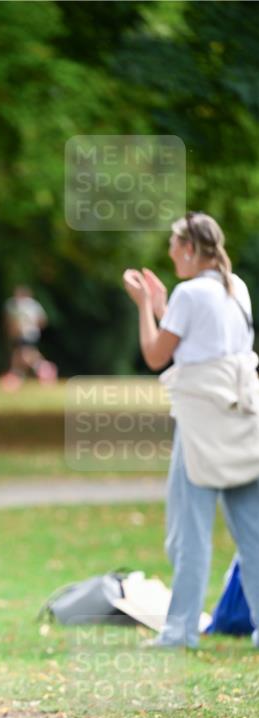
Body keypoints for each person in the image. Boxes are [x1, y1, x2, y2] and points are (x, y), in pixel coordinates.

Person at [123, 210, 259, 649]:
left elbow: (156, 354)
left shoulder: (189, 292)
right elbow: (197, 339)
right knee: (251, 530)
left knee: (190, 532)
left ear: (187, 248)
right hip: (241, 419)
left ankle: (180, 631)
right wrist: (165, 305)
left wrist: (146, 306)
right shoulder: (234, 287)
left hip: (202, 426)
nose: (168, 251)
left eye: (172, 244)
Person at [0, 285, 56, 389]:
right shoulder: (33, 305)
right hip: (30, 334)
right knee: (21, 355)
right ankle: (19, 375)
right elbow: (42, 321)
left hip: (24, 334)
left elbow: (11, 321)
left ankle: (43, 370)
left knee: (24, 355)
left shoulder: (15, 305)